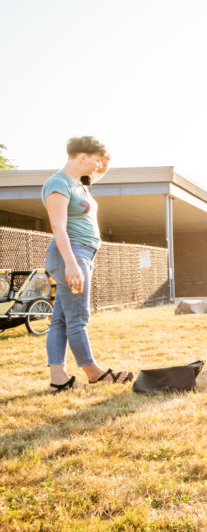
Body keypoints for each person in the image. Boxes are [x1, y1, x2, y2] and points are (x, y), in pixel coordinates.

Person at [41, 136, 134, 392]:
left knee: (60, 319)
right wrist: (71, 264)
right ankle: (94, 373)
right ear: (82, 157)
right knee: (78, 319)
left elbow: (99, 172)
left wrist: (104, 159)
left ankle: (58, 379)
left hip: (81, 255)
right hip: (70, 254)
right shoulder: (58, 184)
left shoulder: (79, 183)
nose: (97, 167)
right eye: (94, 161)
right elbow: (58, 225)